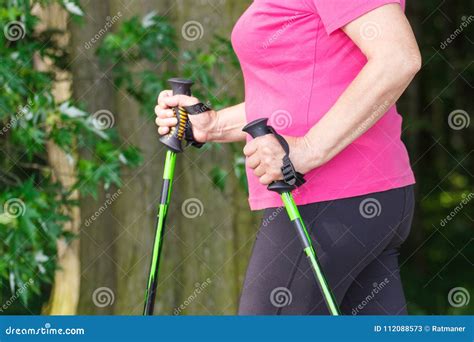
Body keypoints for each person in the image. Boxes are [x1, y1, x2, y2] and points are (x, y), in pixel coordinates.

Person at [155, 0, 421, 315]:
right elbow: (297, 97)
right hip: (358, 199)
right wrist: (210, 125)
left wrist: (308, 149)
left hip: (329, 202)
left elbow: (398, 58)